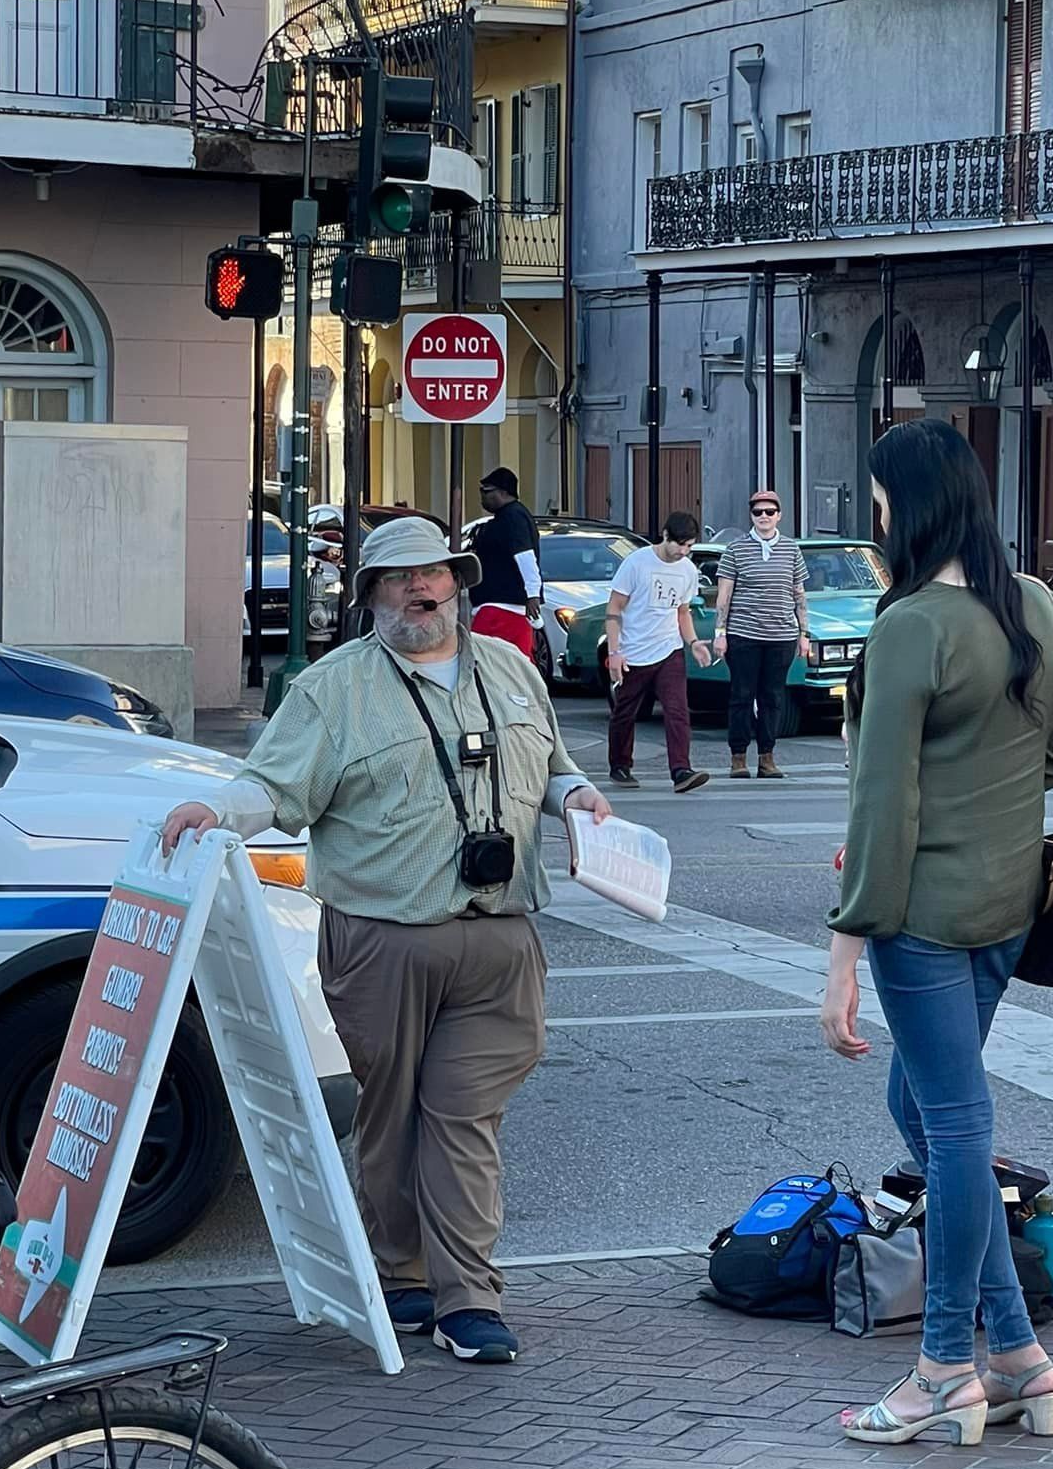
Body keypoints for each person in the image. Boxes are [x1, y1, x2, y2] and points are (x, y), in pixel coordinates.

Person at [160, 517, 611, 1366]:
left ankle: (469, 1297)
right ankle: (401, 1270)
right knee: (392, 1111)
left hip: (500, 936)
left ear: (458, 582)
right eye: (400, 577)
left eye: (434, 573)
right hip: (381, 937)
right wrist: (213, 811)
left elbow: (553, 767)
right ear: (370, 594)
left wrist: (578, 796)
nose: (420, 589)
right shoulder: (332, 689)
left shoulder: (511, 667)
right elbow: (271, 787)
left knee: (463, 1117)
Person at [819, 417, 1053, 1447]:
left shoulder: (910, 626)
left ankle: (942, 1367)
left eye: (881, 501)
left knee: (956, 1122)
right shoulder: (1033, 605)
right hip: (1009, 906)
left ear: (910, 508)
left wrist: (843, 955)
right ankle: (1016, 1352)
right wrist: (984, 800)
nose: (876, 517)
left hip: (923, 914)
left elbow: (881, 804)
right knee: (923, 1105)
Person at [605, 510, 714, 792]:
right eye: (680, 544)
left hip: (669, 648)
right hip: (634, 650)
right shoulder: (636, 563)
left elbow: (682, 612)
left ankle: (681, 771)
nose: (684, 551)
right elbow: (614, 608)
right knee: (625, 711)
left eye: (689, 546)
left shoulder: (687, 570)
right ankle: (620, 764)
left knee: (677, 710)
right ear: (665, 536)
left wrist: (693, 643)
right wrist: (614, 652)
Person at [712, 490, 810, 779]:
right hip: (743, 634)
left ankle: (767, 758)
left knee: (773, 697)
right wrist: (720, 633)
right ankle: (738, 758)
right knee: (741, 696)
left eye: (769, 512)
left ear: (779, 516)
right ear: (751, 516)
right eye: (758, 512)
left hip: (782, 635)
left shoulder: (791, 549)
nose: (764, 516)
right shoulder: (735, 550)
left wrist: (804, 632)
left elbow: (799, 594)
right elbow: (723, 596)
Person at [472, 467, 542, 658]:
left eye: (486, 492)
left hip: (501, 607)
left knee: (485, 660)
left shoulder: (512, 517)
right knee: (517, 664)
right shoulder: (512, 516)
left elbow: (524, 555)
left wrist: (532, 593)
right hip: (506, 606)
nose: (482, 497)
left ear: (503, 492)